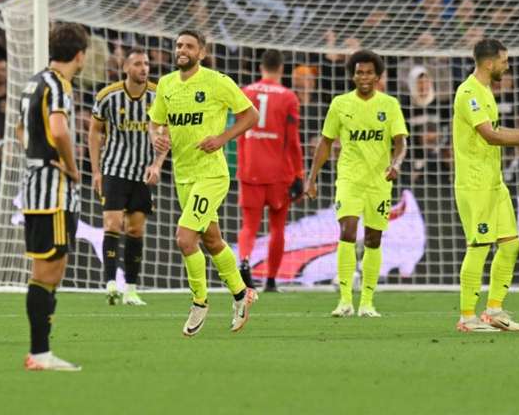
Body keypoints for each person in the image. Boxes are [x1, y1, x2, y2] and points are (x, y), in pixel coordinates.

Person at [147, 30, 260, 336]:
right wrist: (156, 139)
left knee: (185, 240)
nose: (182, 50)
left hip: (211, 175)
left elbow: (251, 115)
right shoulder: (167, 85)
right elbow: (156, 123)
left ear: (202, 53)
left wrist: (222, 138)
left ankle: (199, 301)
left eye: (189, 46)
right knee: (211, 240)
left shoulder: (217, 81)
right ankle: (241, 293)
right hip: (183, 176)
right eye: (179, 45)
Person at [453, 39, 519, 333]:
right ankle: (467, 317)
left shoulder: (485, 91)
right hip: (474, 183)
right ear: (489, 62)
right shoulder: (469, 92)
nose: (507, 66)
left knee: (511, 244)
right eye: (504, 61)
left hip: (494, 182)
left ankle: (494, 310)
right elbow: (489, 135)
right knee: (479, 245)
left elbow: (496, 129)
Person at [305, 50, 408, 318]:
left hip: (379, 181)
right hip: (350, 179)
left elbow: (400, 143)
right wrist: (311, 178)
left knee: (374, 238)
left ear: (377, 76)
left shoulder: (390, 105)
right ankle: (344, 300)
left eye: (369, 73)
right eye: (359, 72)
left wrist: (395, 164)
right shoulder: (340, 104)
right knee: (347, 230)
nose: (364, 77)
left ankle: (367, 302)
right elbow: (326, 142)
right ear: (353, 75)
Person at [18, 22, 89, 371]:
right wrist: (72, 167)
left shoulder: (33, 82)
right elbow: (59, 129)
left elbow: (21, 130)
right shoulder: (58, 85)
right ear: (80, 54)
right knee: (50, 271)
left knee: (46, 270)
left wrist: (36, 156)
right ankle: (40, 353)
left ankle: (40, 351)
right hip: (53, 192)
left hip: (34, 187)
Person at [88, 49, 157, 307]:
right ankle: (110, 284)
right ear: (126, 68)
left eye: (147, 63)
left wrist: (158, 164)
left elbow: (167, 132)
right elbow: (94, 133)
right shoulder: (108, 96)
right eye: (138, 64)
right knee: (112, 224)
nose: (144, 68)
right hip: (114, 170)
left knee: (136, 229)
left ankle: (131, 289)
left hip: (142, 173)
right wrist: (96, 171)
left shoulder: (158, 96)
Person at [236, 49, 304, 293]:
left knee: (249, 226)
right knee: (277, 227)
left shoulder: (246, 93)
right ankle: (272, 281)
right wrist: (299, 174)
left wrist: (243, 164)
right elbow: (293, 141)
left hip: (250, 169)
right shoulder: (288, 97)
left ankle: (243, 260)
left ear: (260, 68)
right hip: (279, 173)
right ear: (282, 69)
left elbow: (239, 134)